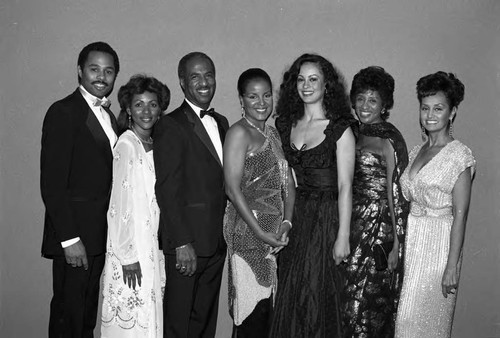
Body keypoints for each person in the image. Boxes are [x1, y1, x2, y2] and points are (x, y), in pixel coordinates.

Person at [269, 54, 356, 337]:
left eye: (313, 79)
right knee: (291, 293)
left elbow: (345, 186)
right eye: (301, 79)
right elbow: (283, 180)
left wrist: (343, 236)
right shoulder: (284, 125)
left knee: (318, 296)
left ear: (326, 85)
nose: (306, 85)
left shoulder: (340, 130)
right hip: (297, 218)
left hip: (327, 220)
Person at [40, 41, 119, 337]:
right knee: (68, 318)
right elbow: (52, 184)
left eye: (108, 71)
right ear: (79, 71)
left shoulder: (110, 116)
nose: (101, 76)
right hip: (74, 239)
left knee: (85, 318)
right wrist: (69, 239)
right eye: (94, 69)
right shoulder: (64, 111)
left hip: (99, 236)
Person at [154, 52, 229, 337]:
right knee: (179, 324)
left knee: (204, 323)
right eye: (195, 76)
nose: (204, 82)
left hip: (217, 242)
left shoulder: (221, 122)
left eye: (209, 75)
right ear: (183, 83)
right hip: (187, 245)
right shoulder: (170, 125)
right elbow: (167, 188)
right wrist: (182, 242)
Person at [395, 72, 476, 337]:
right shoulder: (418, 152)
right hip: (414, 242)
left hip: (439, 249)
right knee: (406, 321)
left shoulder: (459, 156)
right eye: (425, 107)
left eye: (438, 108)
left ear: (452, 112)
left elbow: (460, 216)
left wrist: (451, 266)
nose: (430, 115)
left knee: (422, 324)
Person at [223, 68, 296, 337]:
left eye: (266, 95)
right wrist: (260, 232)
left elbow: (287, 182)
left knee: (266, 317)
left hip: (273, 238)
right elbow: (231, 189)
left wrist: (287, 222)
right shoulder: (238, 133)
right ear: (241, 100)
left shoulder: (273, 133)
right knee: (251, 316)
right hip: (247, 236)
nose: (261, 102)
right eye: (253, 97)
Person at [100, 75, 170, 337]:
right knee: (132, 325)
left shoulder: (155, 143)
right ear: (128, 109)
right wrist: (128, 257)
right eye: (139, 104)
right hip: (132, 249)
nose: (146, 111)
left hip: (152, 244)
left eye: (152, 104)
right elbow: (118, 204)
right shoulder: (127, 145)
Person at [342, 66, 409, 337]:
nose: (364, 105)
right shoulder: (351, 134)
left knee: (370, 305)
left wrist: (396, 245)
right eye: (360, 98)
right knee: (347, 304)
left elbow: (397, 194)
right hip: (352, 227)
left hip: (378, 232)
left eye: (372, 100)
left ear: (384, 105)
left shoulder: (389, 138)